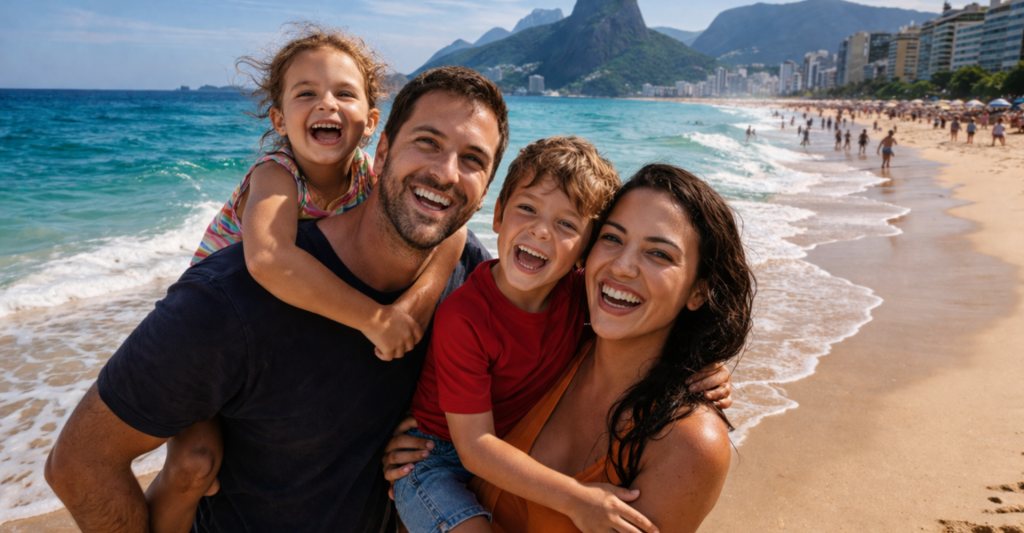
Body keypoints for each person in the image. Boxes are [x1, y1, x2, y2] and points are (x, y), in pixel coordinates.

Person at [45, 64, 511, 533]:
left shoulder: (470, 277)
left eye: (473, 159)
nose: (446, 172)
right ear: (383, 148)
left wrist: (438, 435)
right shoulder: (231, 299)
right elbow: (81, 462)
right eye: (427, 142)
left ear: (488, 185)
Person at [141, 28, 470, 533]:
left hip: (277, 343)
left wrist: (418, 307)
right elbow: (270, 259)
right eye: (306, 93)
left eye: (344, 93)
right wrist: (377, 319)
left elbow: (455, 226)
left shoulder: (374, 176)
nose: (327, 105)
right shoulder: (277, 172)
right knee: (196, 465)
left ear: (372, 123)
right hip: (207, 341)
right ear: (279, 120)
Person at [386, 164, 754, 533]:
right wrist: (421, 441)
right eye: (612, 238)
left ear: (699, 290)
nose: (622, 267)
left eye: (658, 254)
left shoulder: (688, 442)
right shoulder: (559, 343)